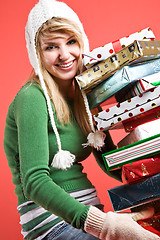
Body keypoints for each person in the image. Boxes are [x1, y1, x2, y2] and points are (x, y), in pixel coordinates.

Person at [3, 0, 160, 239]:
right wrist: (106, 226)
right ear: (36, 53)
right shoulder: (32, 97)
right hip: (52, 226)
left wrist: (151, 179)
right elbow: (34, 182)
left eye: (71, 42)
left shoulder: (84, 96)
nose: (65, 55)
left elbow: (112, 162)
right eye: (51, 47)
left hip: (89, 215)